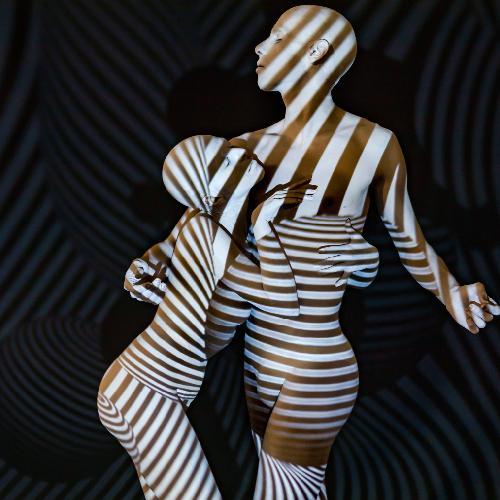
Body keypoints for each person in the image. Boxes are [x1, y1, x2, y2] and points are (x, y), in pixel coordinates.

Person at [124, 6, 499, 499]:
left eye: (277, 37)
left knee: (289, 489)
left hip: (315, 360)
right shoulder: (245, 147)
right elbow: (197, 226)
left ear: (316, 50)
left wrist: (452, 292)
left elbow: (410, 240)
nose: (259, 47)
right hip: (257, 357)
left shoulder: (373, 145)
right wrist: (155, 259)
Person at [98, 134, 319, 499]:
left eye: (228, 149)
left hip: (150, 387)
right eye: (224, 161)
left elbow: (165, 249)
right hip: (147, 387)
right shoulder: (206, 229)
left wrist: (147, 266)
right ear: (208, 192)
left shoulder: (211, 224)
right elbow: (282, 301)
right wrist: (265, 224)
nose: (239, 152)